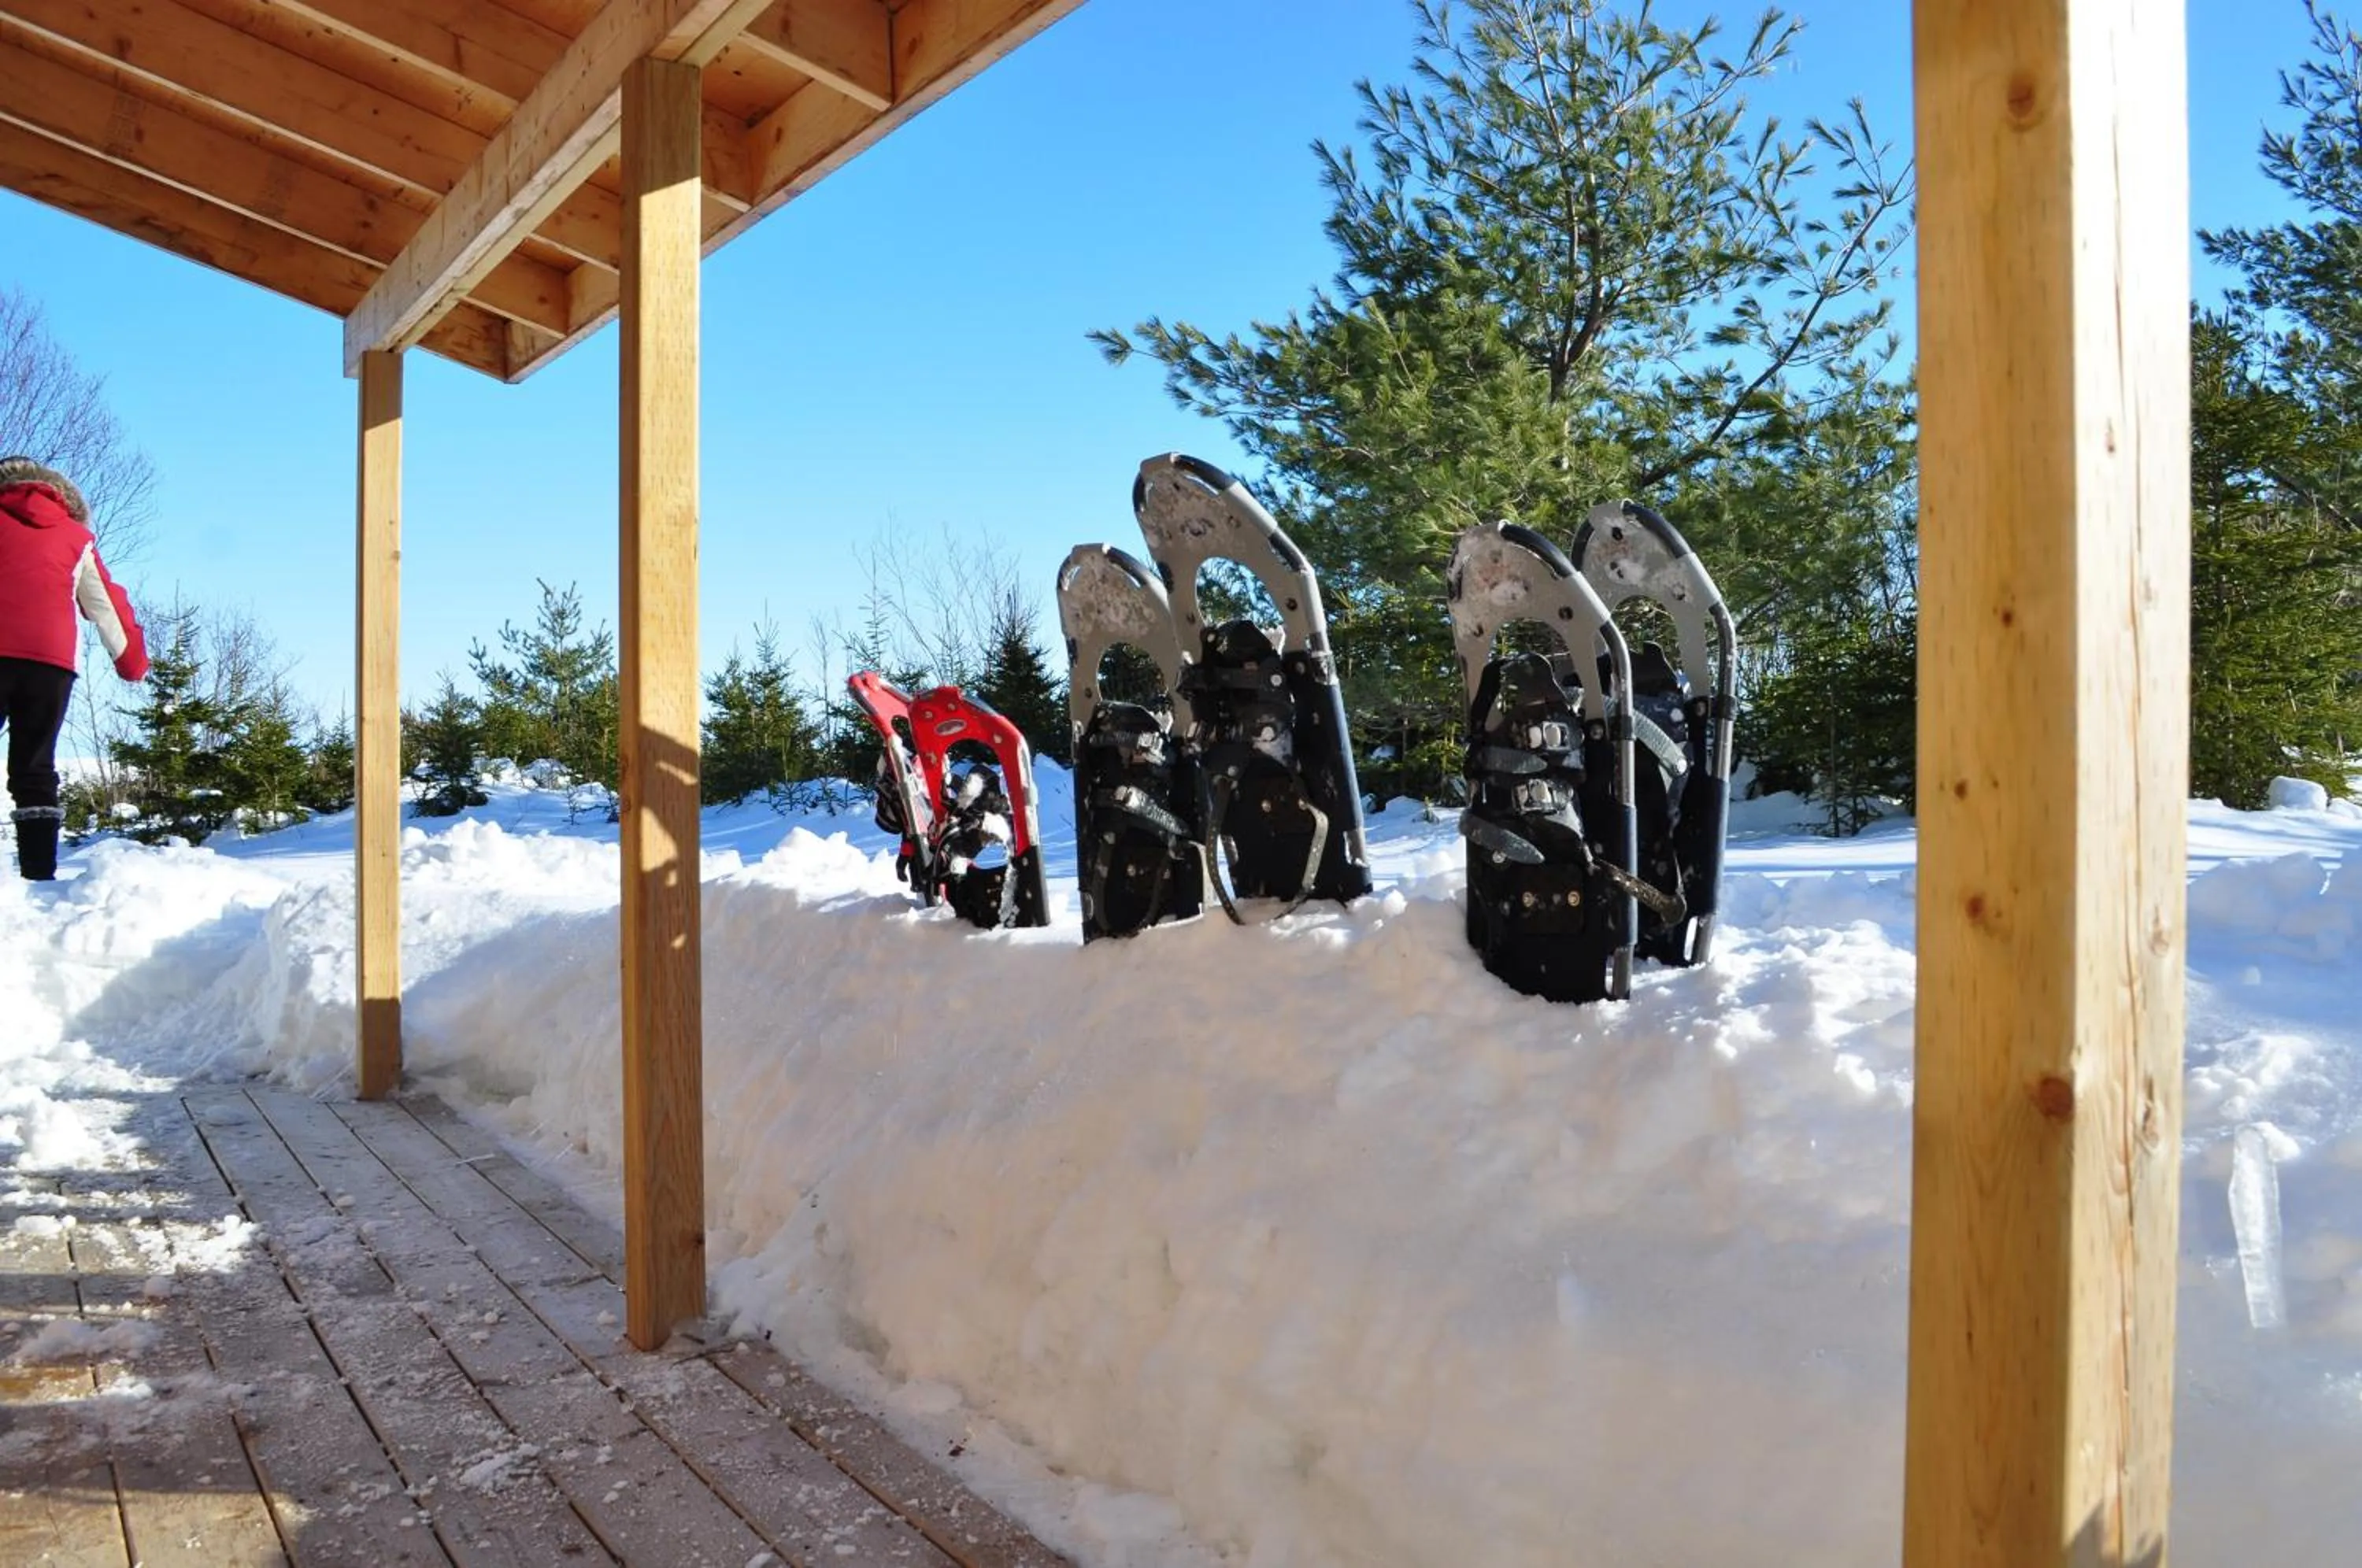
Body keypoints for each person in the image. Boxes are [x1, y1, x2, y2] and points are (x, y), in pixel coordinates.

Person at [0, 457, 148, 881]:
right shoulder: (76, 537)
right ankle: (38, 876)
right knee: (34, 766)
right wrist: (132, 663)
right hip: (49, 665)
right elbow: (106, 605)